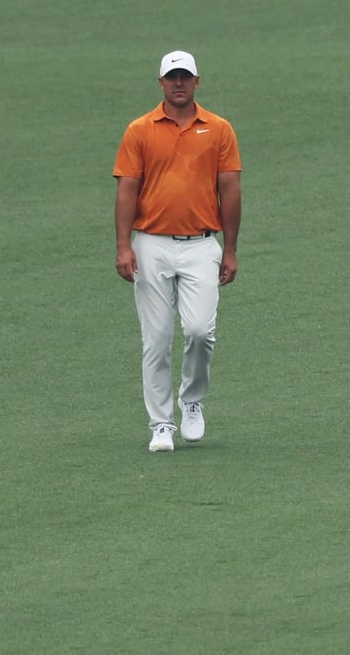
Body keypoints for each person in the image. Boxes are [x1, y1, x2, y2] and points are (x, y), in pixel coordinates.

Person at [112, 50, 242, 453]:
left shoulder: (219, 129)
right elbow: (127, 190)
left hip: (203, 244)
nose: (179, 84)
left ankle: (192, 401)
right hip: (150, 243)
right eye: (173, 78)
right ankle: (161, 423)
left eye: (186, 77)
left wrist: (231, 251)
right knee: (157, 337)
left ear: (197, 81)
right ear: (161, 83)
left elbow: (230, 190)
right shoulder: (140, 130)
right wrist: (122, 246)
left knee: (201, 331)